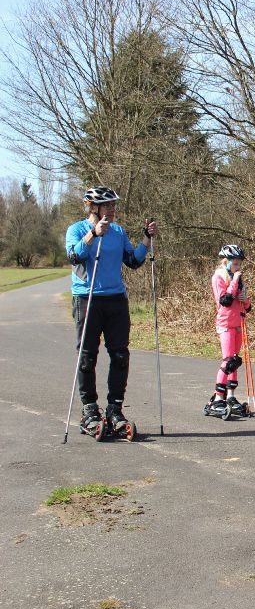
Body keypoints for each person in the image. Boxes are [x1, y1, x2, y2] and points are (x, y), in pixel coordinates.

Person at [65, 186, 156, 434]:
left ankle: (115, 409)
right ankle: (90, 410)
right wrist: (93, 234)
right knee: (87, 357)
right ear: (93, 208)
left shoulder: (117, 231)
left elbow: (133, 261)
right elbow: (74, 256)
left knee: (120, 355)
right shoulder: (76, 229)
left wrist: (146, 239)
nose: (113, 210)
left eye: (114, 205)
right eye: (108, 205)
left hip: (116, 299)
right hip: (87, 297)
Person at [207, 245, 252, 418]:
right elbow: (224, 300)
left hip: (238, 323)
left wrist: (245, 300)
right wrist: (235, 283)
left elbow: (246, 306)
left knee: (236, 361)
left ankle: (231, 396)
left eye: (240, 264)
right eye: (235, 263)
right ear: (226, 262)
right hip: (225, 323)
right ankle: (219, 398)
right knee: (228, 361)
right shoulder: (218, 277)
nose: (238, 267)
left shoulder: (237, 278)